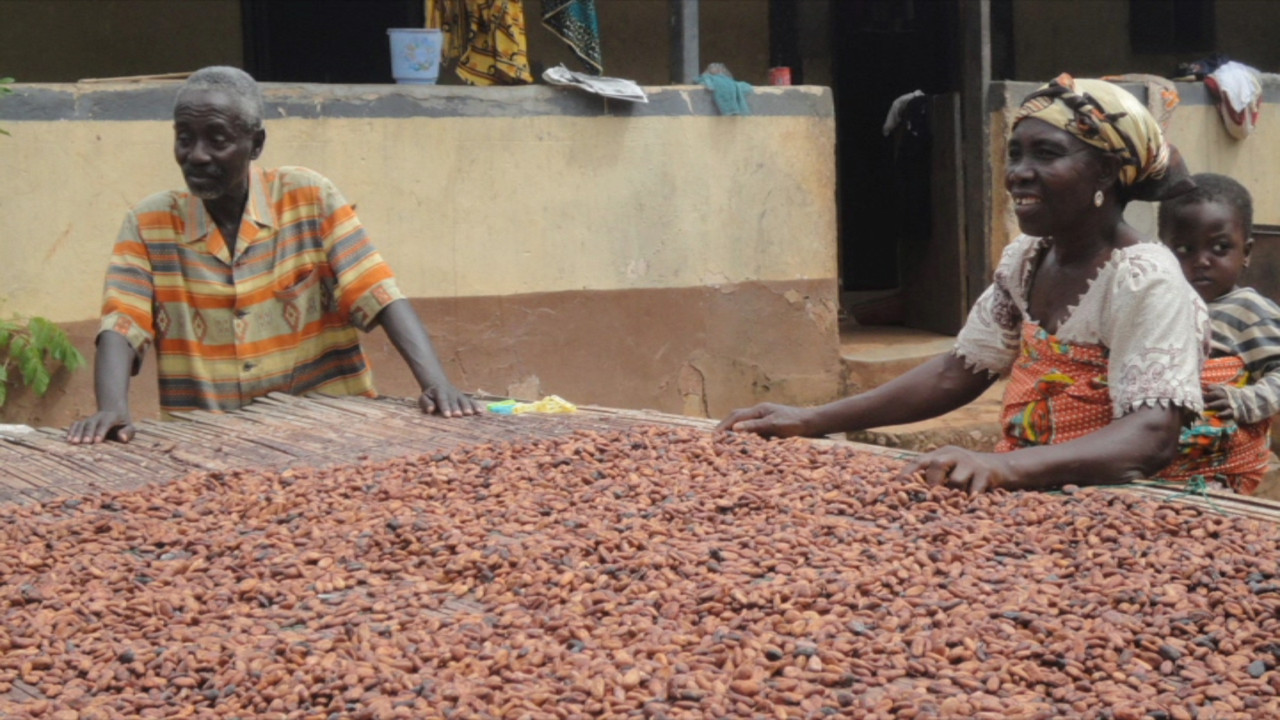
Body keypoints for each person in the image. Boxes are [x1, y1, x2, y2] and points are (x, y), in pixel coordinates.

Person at [719, 73, 1207, 494]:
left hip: (1136, 501)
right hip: (1043, 483)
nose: (1018, 173)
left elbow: (1150, 436)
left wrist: (1003, 466)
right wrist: (811, 419)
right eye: (1015, 154)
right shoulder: (1028, 258)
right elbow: (960, 370)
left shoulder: (1145, 279)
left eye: (1046, 154)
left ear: (1105, 170)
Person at [67, 66, 478, 444]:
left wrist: (435, 383)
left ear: (256, 144)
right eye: (184, 138)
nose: (196, 155)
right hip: (209, 443)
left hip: (334, 431)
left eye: (218, 139)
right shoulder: (148, 222)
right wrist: (113, 408)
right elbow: (123, 322)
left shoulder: (308, 197)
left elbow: (377, 291)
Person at [1157, 173, 1280, 494]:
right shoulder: (1158, 306)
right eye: (1183, 249)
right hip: (1158, 462)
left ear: (1247, 252)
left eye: (1221, 247)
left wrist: (1246, 400)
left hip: (1219, 471)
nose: (1201, 261)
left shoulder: (1249, 310)